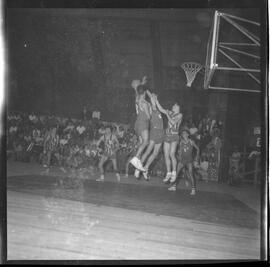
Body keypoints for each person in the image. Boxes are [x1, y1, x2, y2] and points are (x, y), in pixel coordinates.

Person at [134, 91, 164, 180]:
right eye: (153, 97)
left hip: (161, 133)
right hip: (154, 132)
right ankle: (138, 169)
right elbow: (150, 99)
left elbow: (156, 101)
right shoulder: (151, 107)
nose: (154, 97)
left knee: (155, 153)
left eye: (155, 96)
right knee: (148, 151)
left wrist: (153, 96)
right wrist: (147, 91)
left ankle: (146, 168)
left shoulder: (158, 109)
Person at [155, 97, 182, 183]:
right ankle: (168, 173)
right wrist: (156, 100)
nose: (173, 107)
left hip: (174, 135)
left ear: (178, 107)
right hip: (167, 135)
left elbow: (172, 122)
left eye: (175, 106)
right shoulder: (170, 112)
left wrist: (167, 114)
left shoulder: (180, 115)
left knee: (172, 154)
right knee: (166, 155)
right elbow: (161, 109)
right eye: (173, 106)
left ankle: (174, 173)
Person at [168, 127, 199, 195]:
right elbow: (180, 151)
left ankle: (193, 189)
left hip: (189, 161)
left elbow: (197, 149)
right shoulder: (181, 142)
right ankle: (174, 186)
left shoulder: (191, 141)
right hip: (182, 160)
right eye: (183, 134)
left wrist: (197, 158)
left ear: (188, 135)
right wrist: (179, 156)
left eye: (185, 133)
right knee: (176, 173)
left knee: (191, 174)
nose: (184, 134)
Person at [129, 77, 151, 172]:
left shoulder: (138, 99)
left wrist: (141, 84)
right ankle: (136, 158)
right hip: (143, 122)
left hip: (137, 124)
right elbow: (149, 117)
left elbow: (138, 91)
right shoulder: (145, 103)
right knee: (146, 141)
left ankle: (138, 163)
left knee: (142, 143)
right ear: (145, 93)